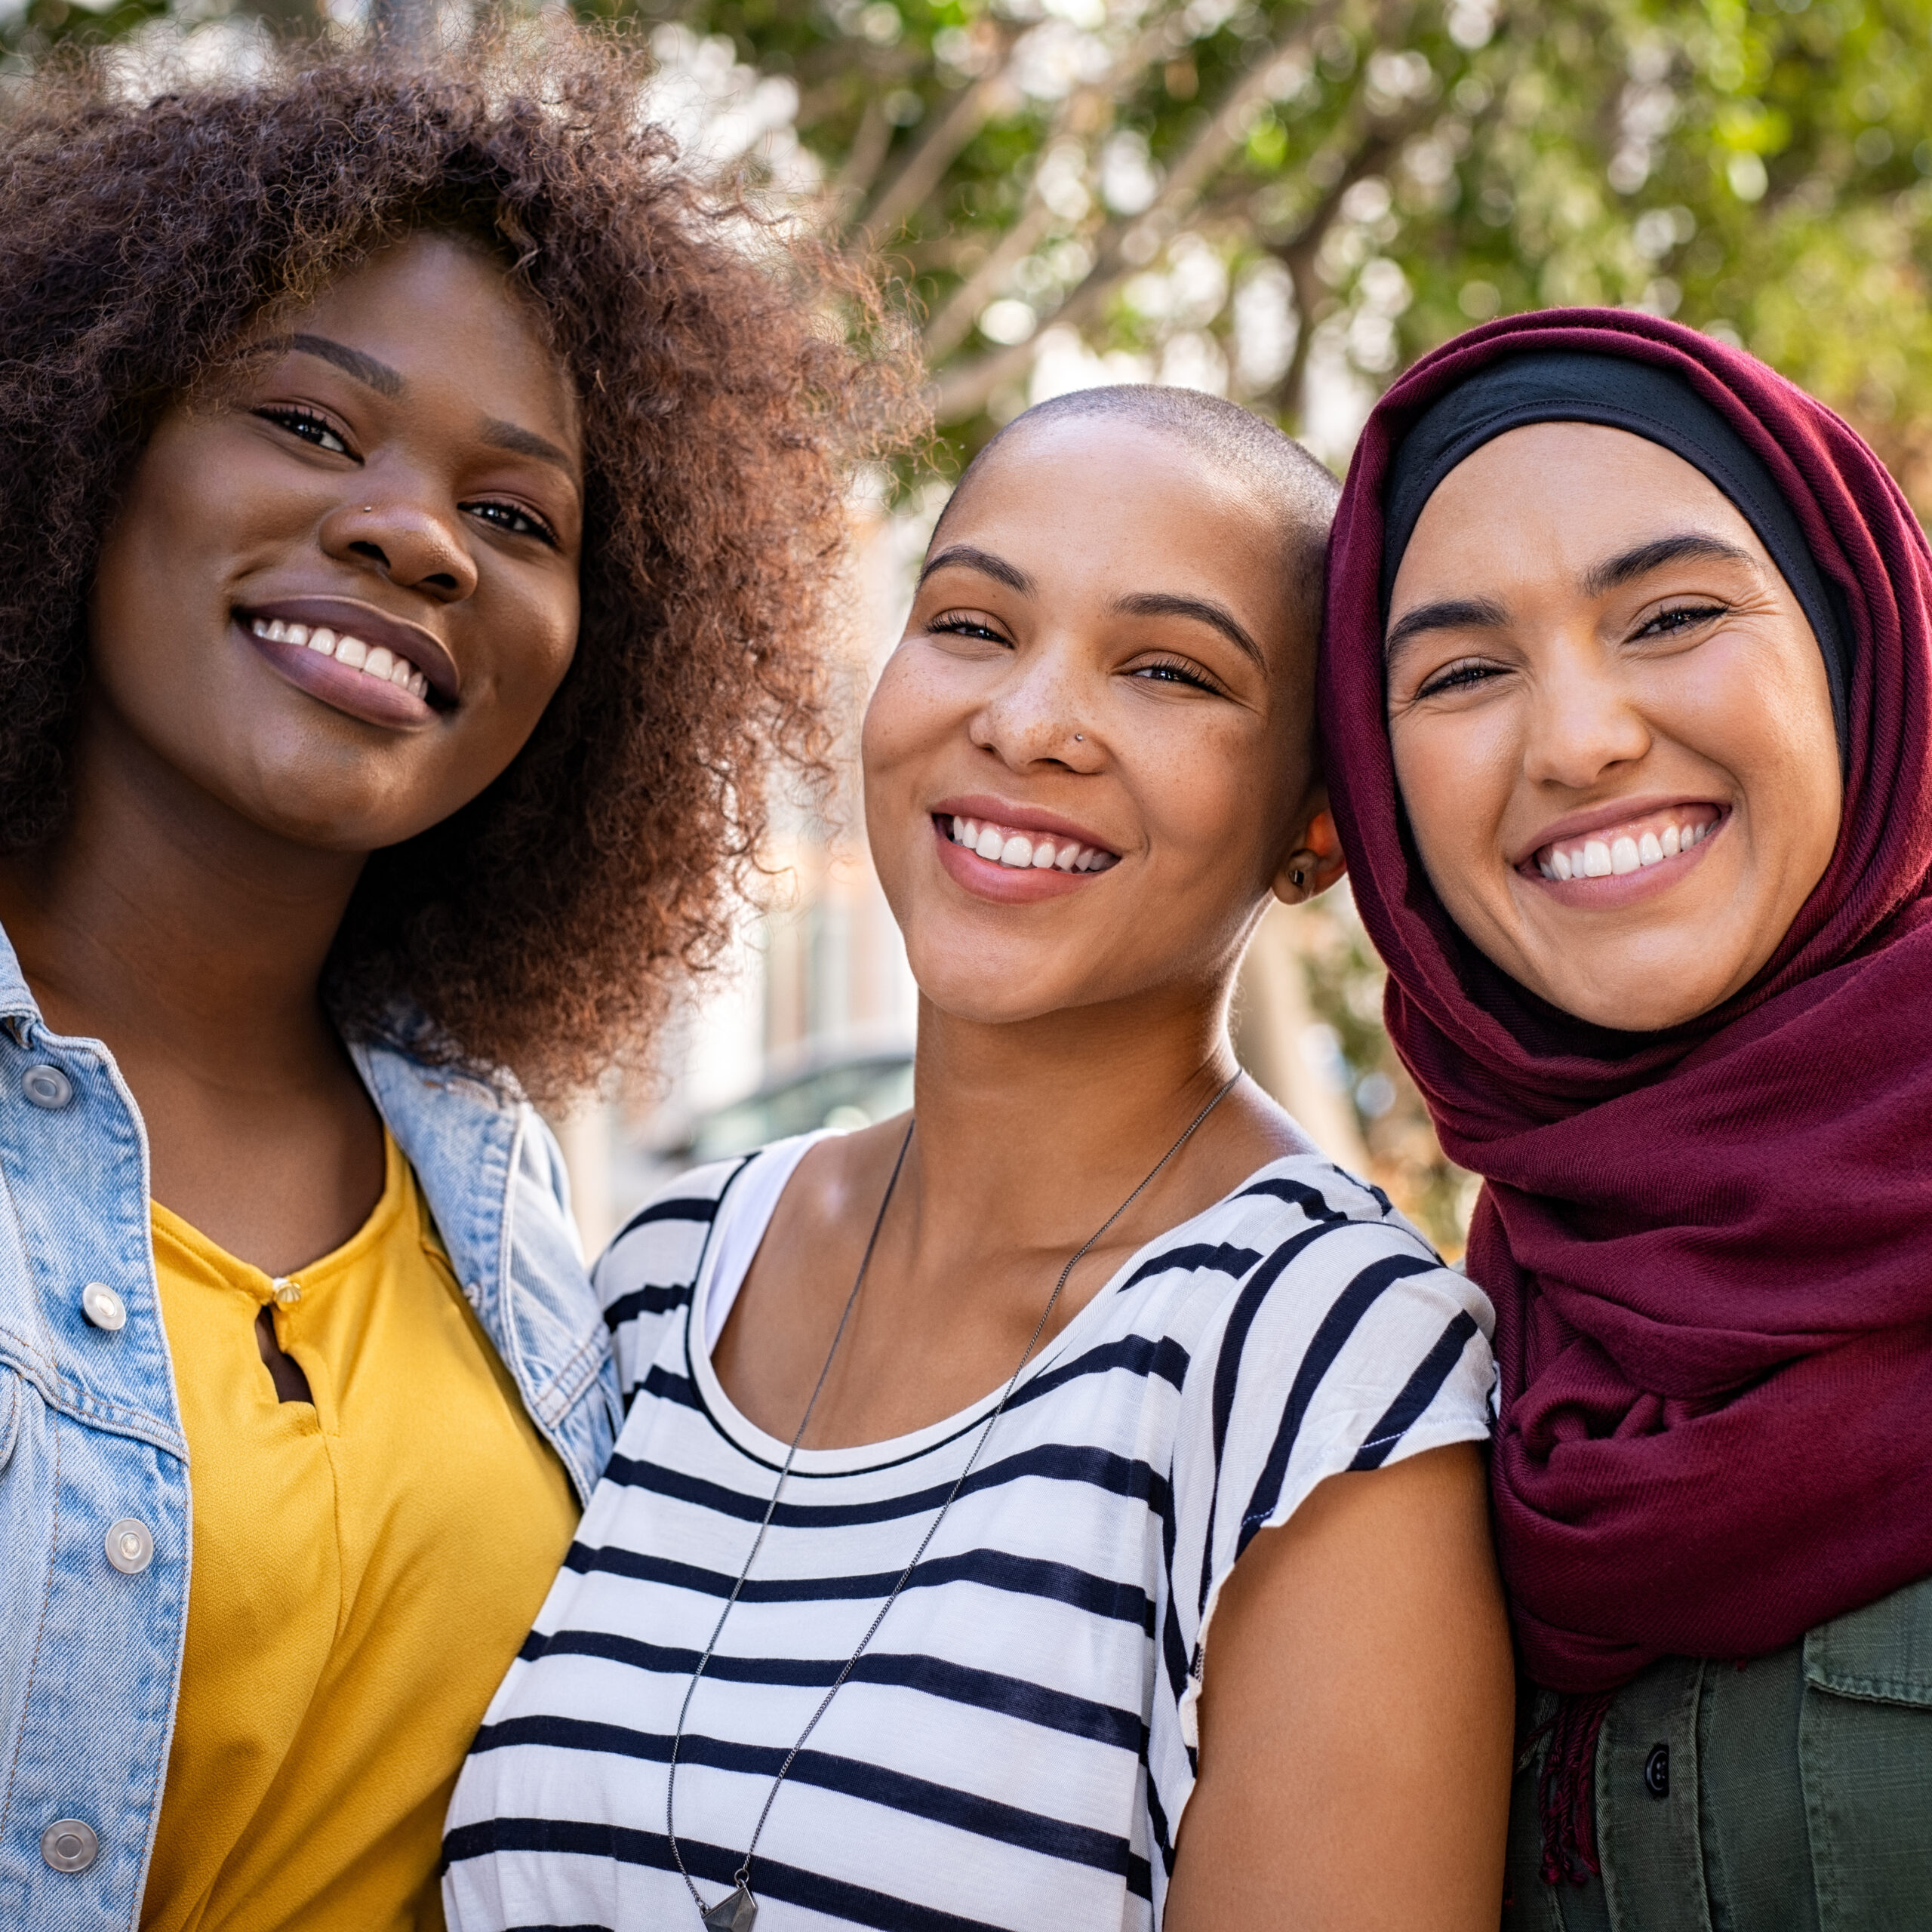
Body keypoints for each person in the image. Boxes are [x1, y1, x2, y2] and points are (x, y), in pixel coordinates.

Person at [0, 28, 903, 1931]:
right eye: (310, 425)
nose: (413, 533)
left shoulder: (505, 1224)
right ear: (82, 438)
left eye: (514, 517)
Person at [442, 385, 1513, 1932]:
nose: (1023, 720)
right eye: (968, 623)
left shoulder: (1324, 1363)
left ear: (1318, 824)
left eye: (1165, 668)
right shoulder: (669, 1271)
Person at [1315, 306, 1932, 1928]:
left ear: (1854, 647)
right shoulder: (1424, 1362)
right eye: (1459, 671)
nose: (1578, 737)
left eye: (1666, 615)